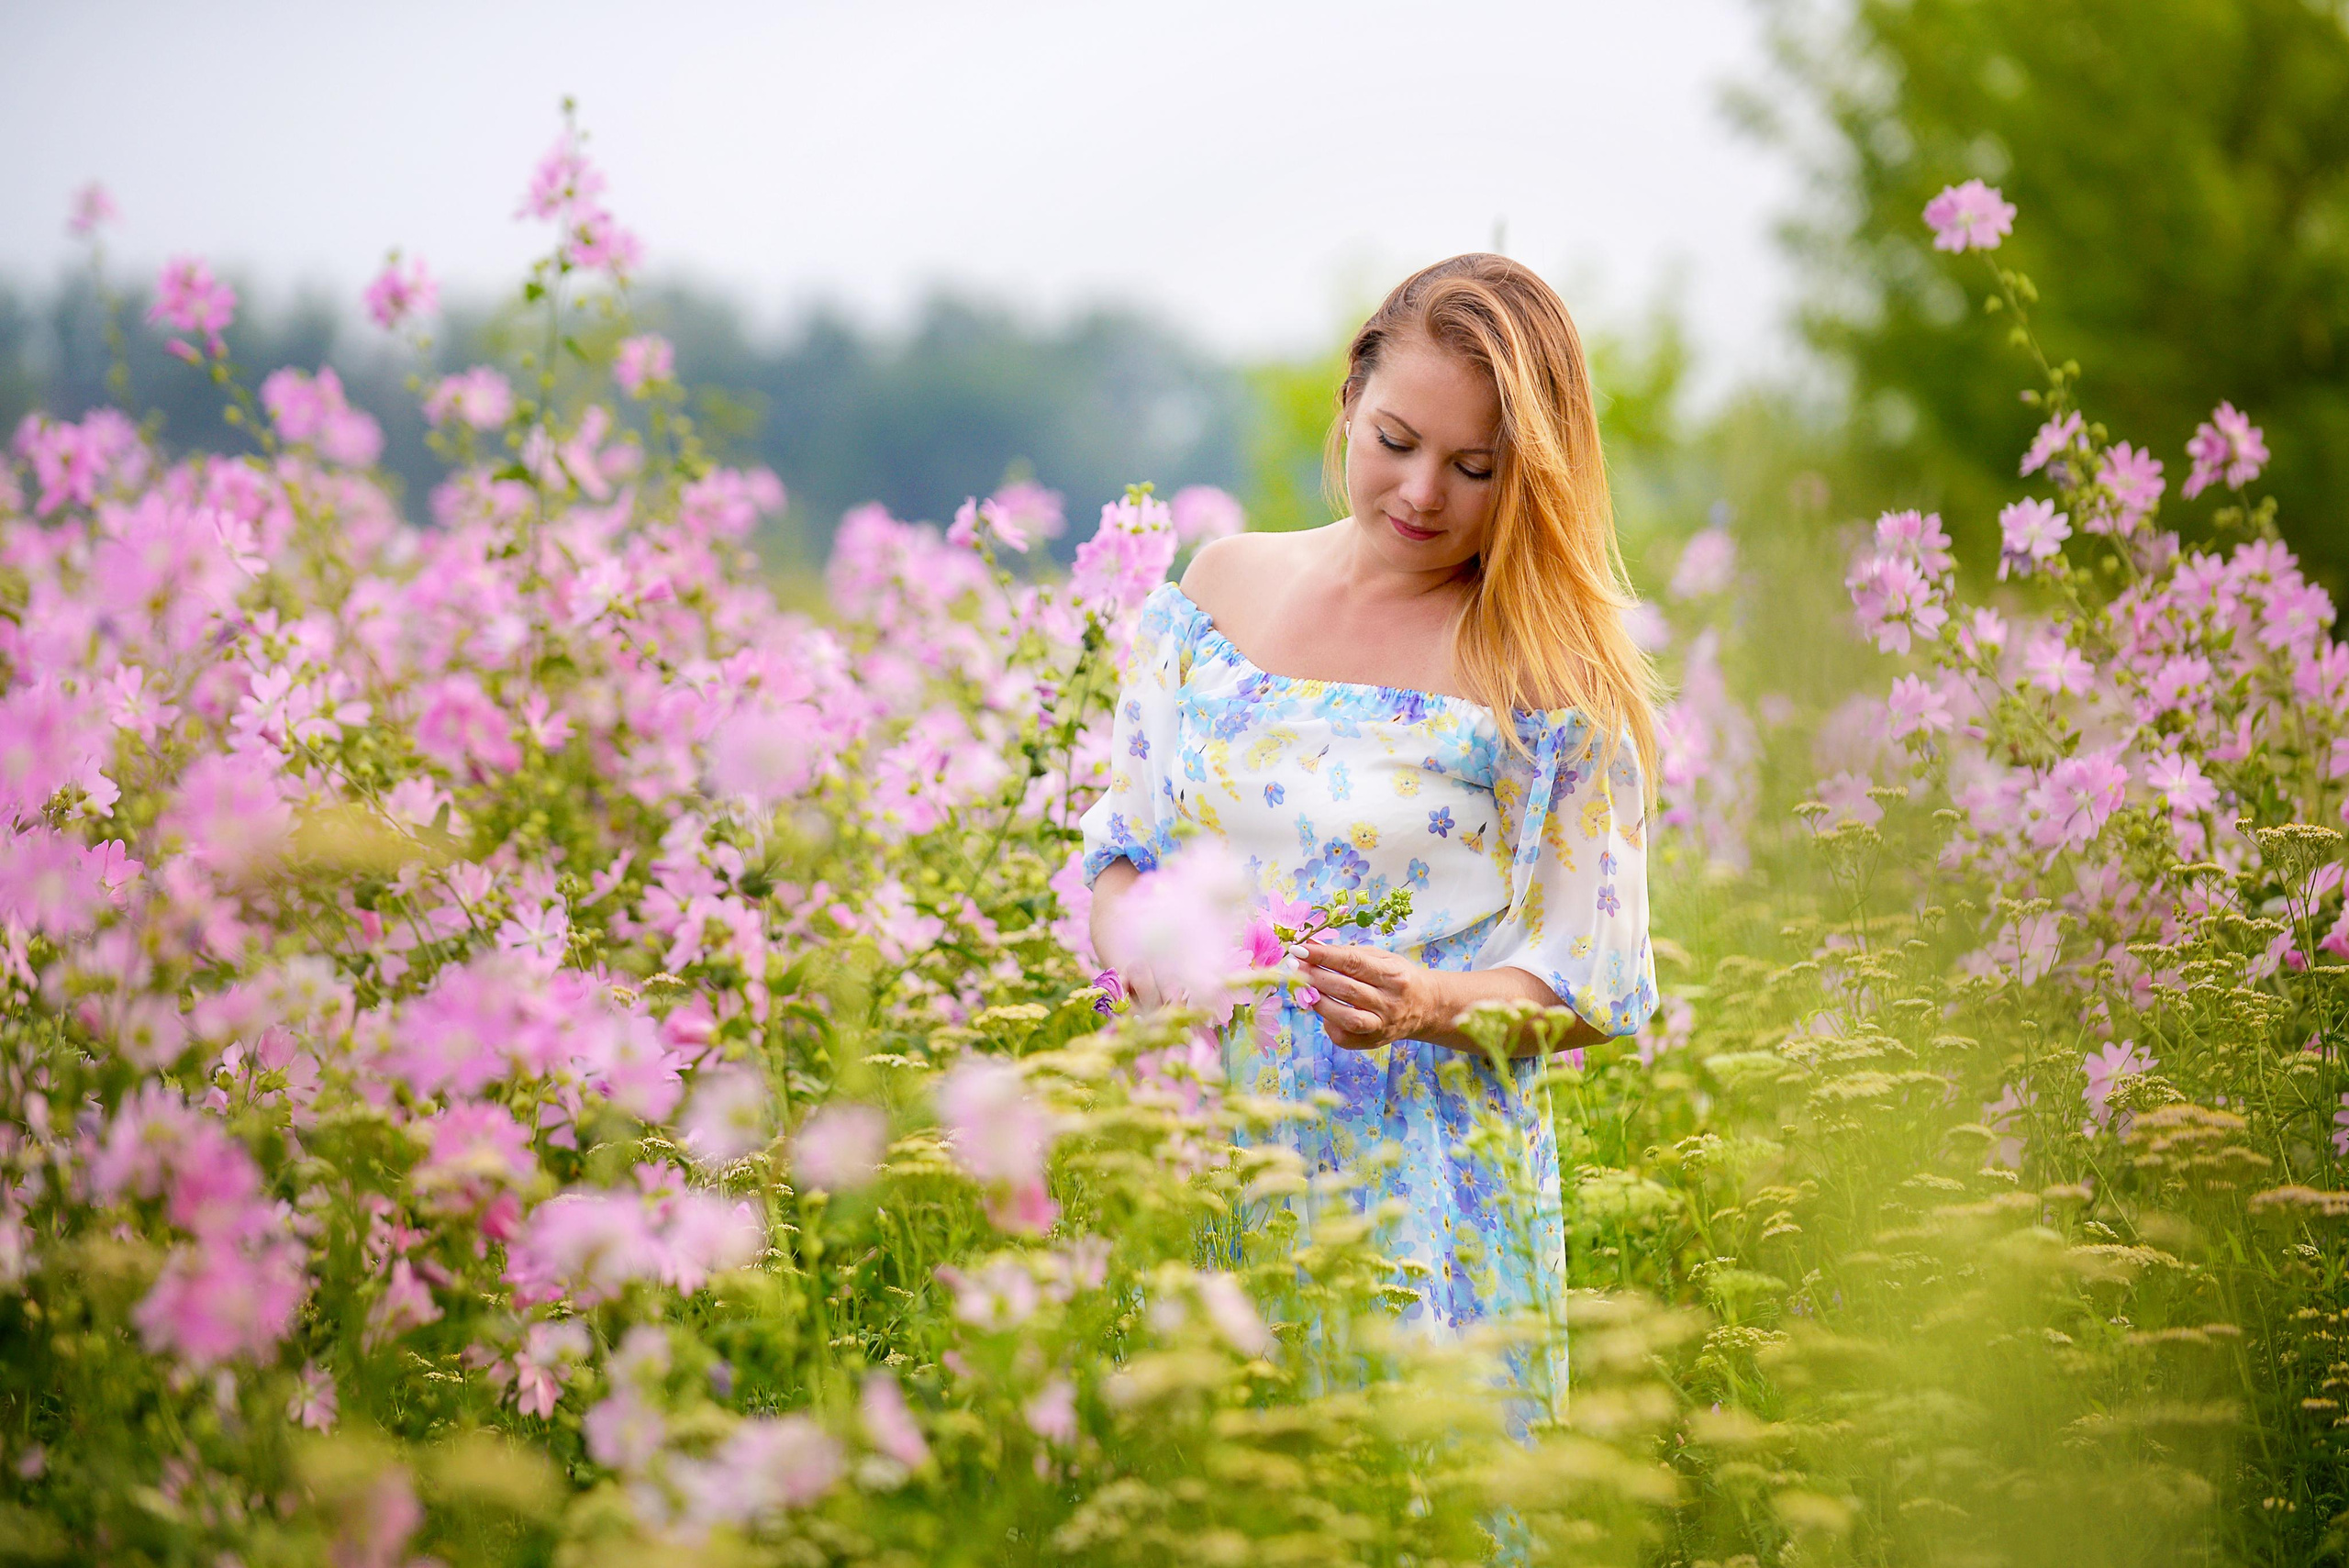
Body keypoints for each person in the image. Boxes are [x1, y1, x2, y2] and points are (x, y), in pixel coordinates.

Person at [1078, 253, 1659, 1402]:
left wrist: (1427, 1004)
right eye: (1395, 440)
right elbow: (1122, 853)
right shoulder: (1215, 593)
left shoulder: (1544, 680)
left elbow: (1593, 987)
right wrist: (1141, 958)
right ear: (1349, 400)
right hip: (1202, 1163)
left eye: (1474, 466)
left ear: (1529, 477)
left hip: (1422, 1205)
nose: (1422, 493)